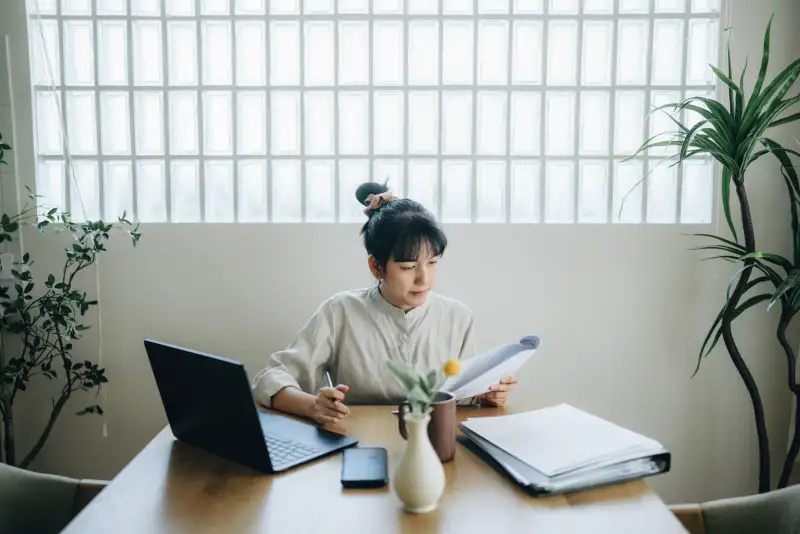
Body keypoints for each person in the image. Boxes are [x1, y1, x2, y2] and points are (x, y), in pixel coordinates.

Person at [252, 182, 518, 425]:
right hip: (359, 444)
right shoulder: (341, 311)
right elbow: (270, 380)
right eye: (408, 266)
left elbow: (463, 396)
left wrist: (489, 395)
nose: (423, 278)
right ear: (376, 266)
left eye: (432, 263)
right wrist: (313, 406)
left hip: (435, 443)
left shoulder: (457, 317)